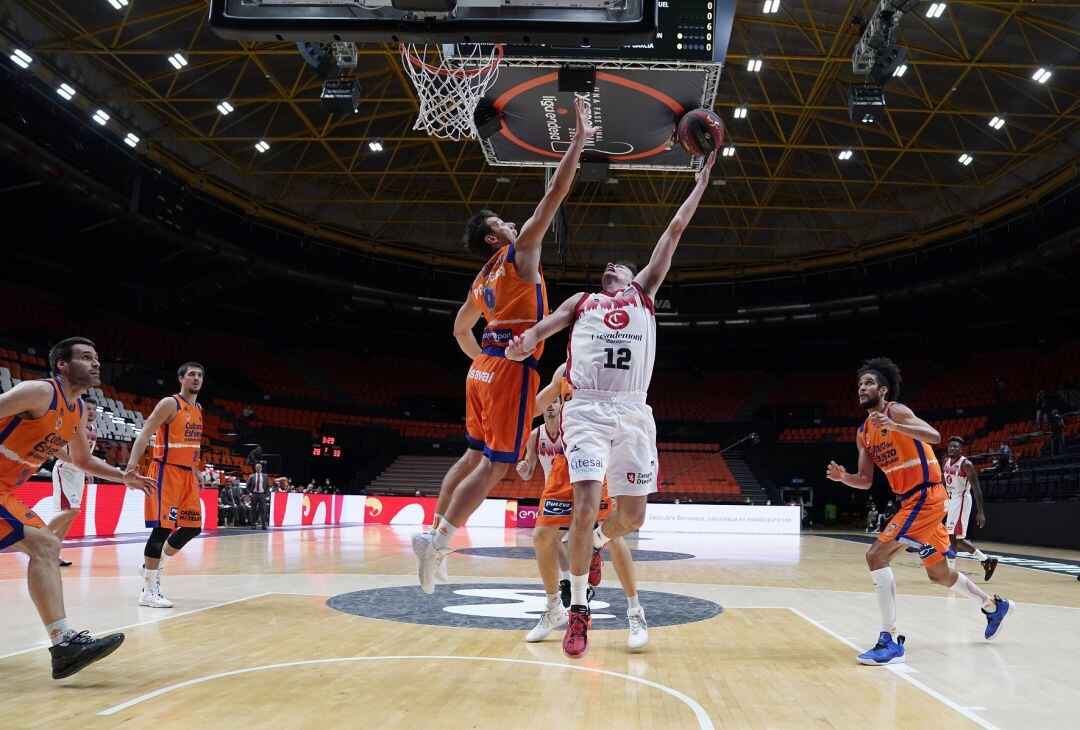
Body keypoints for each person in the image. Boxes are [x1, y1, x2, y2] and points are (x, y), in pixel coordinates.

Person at [504, 152, 716, 658]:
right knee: (582, 503)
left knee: (633, 517)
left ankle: (599, 540)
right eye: (607, 266)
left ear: (632, 275)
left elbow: (674, 231)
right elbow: (542, 328)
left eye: (618, 265)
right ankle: (579, 610)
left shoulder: (644, 294)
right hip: (587, 409)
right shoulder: (581, 302)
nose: (609, 267)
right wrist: (523, 342)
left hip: (634, 410)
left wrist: (700, 183)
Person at [412, 96, 597, 594]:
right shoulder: (519, 255)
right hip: (509, 367)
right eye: (502, 225)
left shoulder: (481, 279)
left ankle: (432, 533)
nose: (512, 225)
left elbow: (460, 330)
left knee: (471, 457)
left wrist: (486, 363)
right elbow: (555, 193)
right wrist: (579, 139)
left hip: (481, 370)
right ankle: (439, 543)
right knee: (495, 466)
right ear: (494, 239)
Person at [826, 358, 1015, 666]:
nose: (862, 388)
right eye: (859, 384)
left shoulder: (895, 412)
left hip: (926, 497)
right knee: (939, 574)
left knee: (876, 556)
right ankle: (994, 606)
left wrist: (894, 426)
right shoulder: (863, 433)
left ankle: (890, 640)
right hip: (913, 502)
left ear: (883, 390)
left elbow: (935, 436)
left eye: (869, 383)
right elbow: (865, 480)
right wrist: (844, 477)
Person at [0, 337, 155, 678]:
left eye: (96, 358)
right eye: (86, 357)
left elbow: (82, 460)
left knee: (45, 545)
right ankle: (64, 645)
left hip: (6, 492)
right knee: (45, 545)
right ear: (63, 365)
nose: (96, 363)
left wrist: (123, 476)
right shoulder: (39, 392)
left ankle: (64, 646)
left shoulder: (78, 410)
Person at [517, 365, 648, 649]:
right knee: (542, 535)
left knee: (615, 539)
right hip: (565, 464)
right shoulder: (564, 371)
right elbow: (536, 406)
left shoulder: (609, 364)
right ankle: (554, 607)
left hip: (598, 460)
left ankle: (635, 610)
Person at [126, 362, 205, 608]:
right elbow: (144, 433)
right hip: (165, 472)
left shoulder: (198, 408)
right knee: (161, 529)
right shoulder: (170, 404)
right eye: (191, 374)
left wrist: (196, 470)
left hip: (187, 475)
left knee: (192, 527)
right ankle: (149, 592)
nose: (196, 378)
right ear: (181, 378)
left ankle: (153, 565)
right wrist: (131, 466)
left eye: (200, 375)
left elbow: (191, 444)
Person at [49, 397, 98, 566]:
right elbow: (54, 448)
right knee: (71, 510)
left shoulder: (93, 429)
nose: (91, 411)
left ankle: (52, 554)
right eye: (88, 408)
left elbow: (87, 454)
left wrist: (87, 470)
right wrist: (73, 461)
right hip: (65, 470)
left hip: (78, 474)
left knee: (71, 516)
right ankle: (38, 539)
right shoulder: (73, 425)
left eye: (94, 409)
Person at [942, 436, 997, 580]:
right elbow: (944, 483)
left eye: (955, 446)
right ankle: (986, 560)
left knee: (951, 536)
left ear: (961, 450)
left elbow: (977, 488)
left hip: (961, 501)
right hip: (951, 500)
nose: (952, 448)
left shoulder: (966, 464)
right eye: (950, 446)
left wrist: (981, 512)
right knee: (958, 539)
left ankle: (950, 572)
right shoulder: (945, 462)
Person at [247, 462, 270, 529]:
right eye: (257, 467)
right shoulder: (251, 476)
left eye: (259, 467)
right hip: (254, 494)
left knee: (263, 510)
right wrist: (250, 493)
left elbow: (267, 486)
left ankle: (263, 525)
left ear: (261, 468)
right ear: (255, 468)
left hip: (262, 494)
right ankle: (253, 524)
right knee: (253, 510)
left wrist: (266, 494)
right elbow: (247, 486)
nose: (258, 468)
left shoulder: (265, 476)